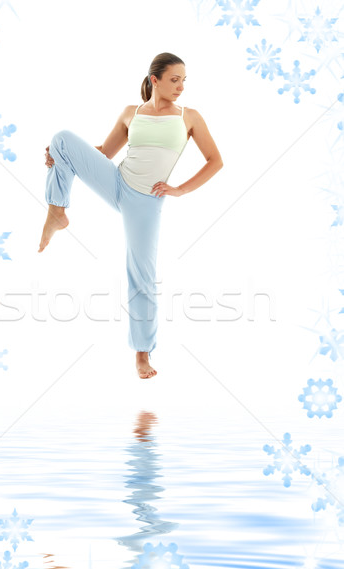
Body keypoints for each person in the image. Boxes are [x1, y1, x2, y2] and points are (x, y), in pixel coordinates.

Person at [39, 52, 223, 379]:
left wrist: (179, 189)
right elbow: (104, 155)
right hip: (117, 183)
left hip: (146, 201)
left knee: (142, 275)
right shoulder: (131, 113)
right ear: (155, 80)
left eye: (184, 80)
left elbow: (215, 161)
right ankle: (57, 211)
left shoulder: (189, 117)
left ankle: (142, 354)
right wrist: (61, 156)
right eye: (174, 79)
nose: (180, 86)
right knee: (61, 140)